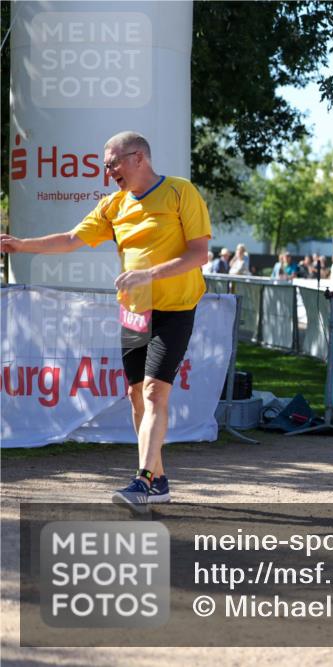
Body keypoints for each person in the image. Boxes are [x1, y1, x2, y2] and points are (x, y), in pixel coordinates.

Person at [0, 131, 211, 514]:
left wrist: (148, 275)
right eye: (106, 165)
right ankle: (159, 480)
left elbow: (199, 254)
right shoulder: (113, 205)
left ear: (138, 158)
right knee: (136, 395)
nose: (108, 171)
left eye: (112, 163)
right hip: (134, 311)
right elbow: (70, 239)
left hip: (176, 308)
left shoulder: (181, 192)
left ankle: (142, 480)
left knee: (154, 393)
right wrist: (20, 245)